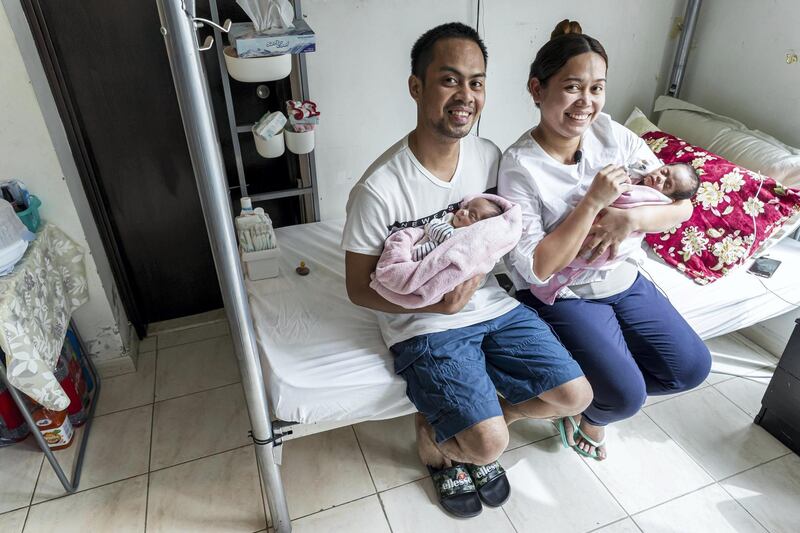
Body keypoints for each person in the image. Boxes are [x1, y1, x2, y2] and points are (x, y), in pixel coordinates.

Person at [342, 22, 592, 517]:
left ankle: (471, 420)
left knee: (575, 396)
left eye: (476, 82)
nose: (466, 95)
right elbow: (357, 289)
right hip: (425, 326)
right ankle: (439, 444)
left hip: (493, 306)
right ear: (417, 87)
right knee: (487, 447)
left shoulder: (489, 156)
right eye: (449, 80)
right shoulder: (379, 189)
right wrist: (438, 302)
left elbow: (508, 229)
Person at [498, 19, 711, 461]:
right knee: (626, 396)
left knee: (691, 368)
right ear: (537, 89)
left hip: (622, 276)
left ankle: (586, 409)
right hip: (566, 292)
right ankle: (588, 410)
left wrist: (627, 222)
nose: (586, 103)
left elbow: (682, 206)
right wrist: (593, 203)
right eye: (573, 87)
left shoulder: (611, 133)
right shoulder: (520, 166)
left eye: (597, 88)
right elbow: (537, 267)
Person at [531, 161, 702, 305]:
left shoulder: (655, 199)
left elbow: (685, 208)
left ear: (671, 198)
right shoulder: (642, 166)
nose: (660, 178)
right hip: (574, 264)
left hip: (620, 269)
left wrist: (629, 217)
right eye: (664, 172)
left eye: (667, 184)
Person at [411, 196, 503, 260]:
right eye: (466, 207)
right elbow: (430, 225)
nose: (463, 211)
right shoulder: (449, 218)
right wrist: (446, 234)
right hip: (417, 252)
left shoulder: (470, 239)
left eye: (472, 215)